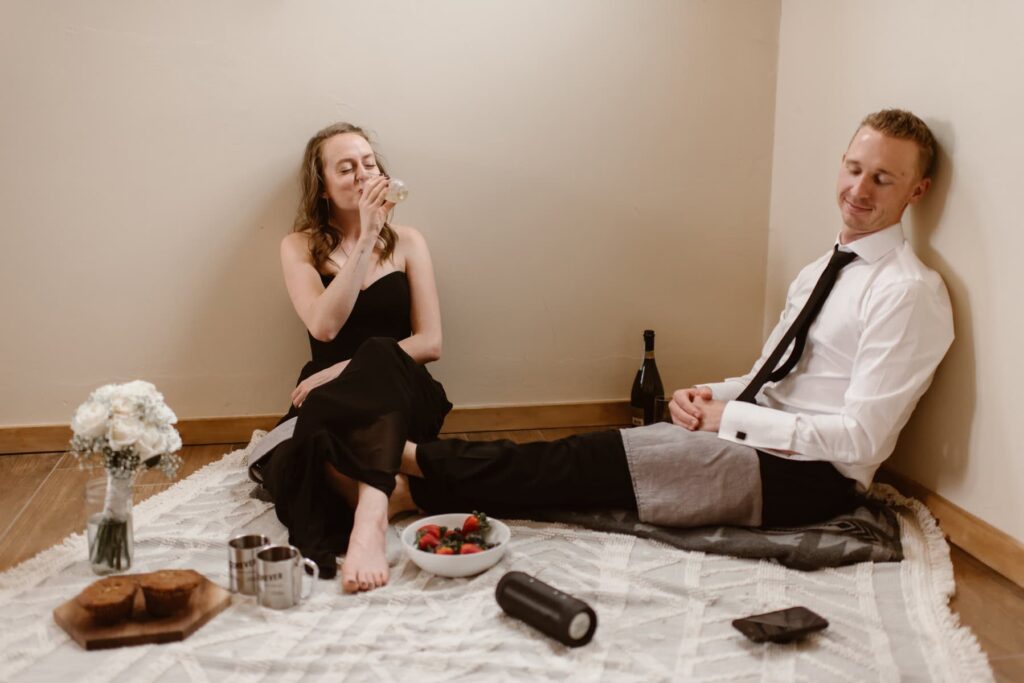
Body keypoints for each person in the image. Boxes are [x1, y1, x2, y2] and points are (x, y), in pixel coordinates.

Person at [387, 109, 954, 543]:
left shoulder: (907, 293)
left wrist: (730, 417)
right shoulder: (817, 273)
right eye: (854, 169)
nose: (858, 190)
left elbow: (864, 439)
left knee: (588, 466)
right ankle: (413, 482)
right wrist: (712, 395)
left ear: (917, 191)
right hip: (753, 435)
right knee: (590, 456)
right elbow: (766, 374)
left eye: (882, 179)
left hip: (810, 478)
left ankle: (412, 467)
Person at [252, 122, 451, 593]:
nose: (362, 174)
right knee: (294, 467)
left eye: (368, 163)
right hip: (329, 397)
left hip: (400, 390)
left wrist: (348, 366)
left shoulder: (409, 242)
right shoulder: (298, 246)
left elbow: (430, 342)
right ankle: (392, 494)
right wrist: (365, 238)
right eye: (346, 168)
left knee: (380, 352)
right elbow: (323, 326)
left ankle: (370, 516)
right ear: (322, 188)